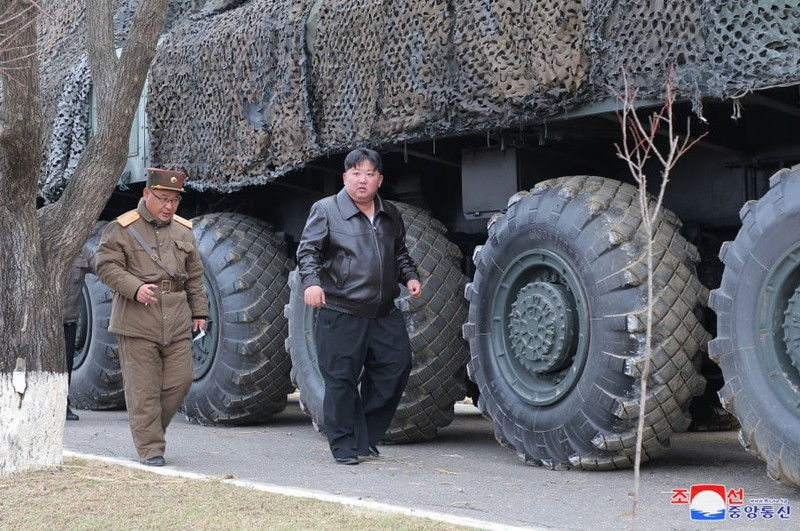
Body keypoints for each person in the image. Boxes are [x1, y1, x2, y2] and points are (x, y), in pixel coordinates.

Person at [296, 147, 422, 465]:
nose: (362, 180)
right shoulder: (325, 210)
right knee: (341, 380)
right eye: (355, 173)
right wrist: (311, 282)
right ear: (344, 177)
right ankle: (343, 444)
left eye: (369, 174)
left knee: (397, 366)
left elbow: (399, 251)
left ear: (379, 179)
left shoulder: (390, 213)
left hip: (383, 312)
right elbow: (309, 251)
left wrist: (410, 277)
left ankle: (363, 434)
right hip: (341, 309)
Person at [96, 168, 208, 467]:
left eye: (174, 200)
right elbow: (105, 266)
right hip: (136, 320)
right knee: (143, 389)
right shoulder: (121, 229)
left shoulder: (184, 231)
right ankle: (151, 448)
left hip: (177, 317)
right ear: (146, 194)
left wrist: (200, 312)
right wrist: (135, 288)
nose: (169, 206)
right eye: (162, 198)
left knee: (181, 381)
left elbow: (194, 277)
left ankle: (150, 431)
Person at [63, 244, 95, 421]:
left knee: (66, 364)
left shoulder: (81, 249)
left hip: (67, 321)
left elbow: (102, 267)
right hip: (40, 323)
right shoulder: (40, 242)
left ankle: (62, 405)